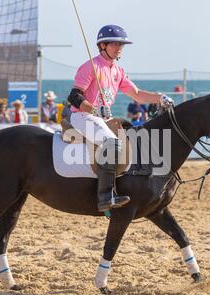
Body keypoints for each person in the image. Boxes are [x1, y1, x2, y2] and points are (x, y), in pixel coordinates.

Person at [67, 24, 175, 212]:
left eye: (122, 45)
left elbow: (137, 94)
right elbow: (74, 97)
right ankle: (105, 197)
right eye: (115, 44)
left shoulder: (118, 71)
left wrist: (160, 98)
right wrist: (95, 110)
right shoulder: (90, 66)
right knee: (113, 143)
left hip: (101, 119)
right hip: (83, 117)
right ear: (103, 46)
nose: (119, 48)